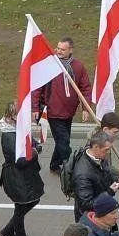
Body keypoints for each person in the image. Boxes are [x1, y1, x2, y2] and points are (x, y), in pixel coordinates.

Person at [37, 38, 91, 172]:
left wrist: (86, 108)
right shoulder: (49, 65)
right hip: (53, 111)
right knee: (64, 142)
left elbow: (85, 88)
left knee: (62, 140)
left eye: (62, 49)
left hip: (69, 111)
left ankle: (54, 165)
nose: (58, 51)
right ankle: (71, 168)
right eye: (58, 48)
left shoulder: (77, 66)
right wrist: (34, 108)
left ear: (70, 50)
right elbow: (37, 87)